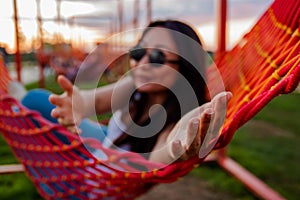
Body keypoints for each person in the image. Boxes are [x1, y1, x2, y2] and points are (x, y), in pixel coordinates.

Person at [10, 20, 231, 165]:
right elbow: (91, 102)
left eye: (157, 57)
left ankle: (14, 97)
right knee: (35, 98)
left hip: (94, 179)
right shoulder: (135, 83)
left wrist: (176, 148)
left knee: (30, 103)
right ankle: (15, 96)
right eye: (139, 51)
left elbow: (160, 156)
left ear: (184, 65)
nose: (142, 63)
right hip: (107, 142)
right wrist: (80, 105)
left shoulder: (177, 120)